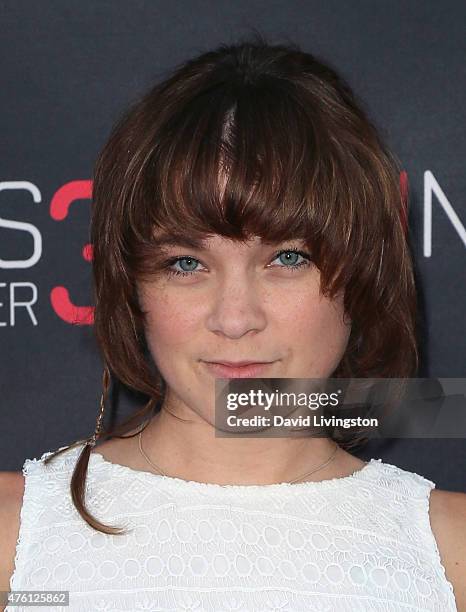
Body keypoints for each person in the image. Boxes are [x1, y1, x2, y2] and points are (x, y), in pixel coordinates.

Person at [1, 35, 464, 612]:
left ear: (364, 271)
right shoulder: (14, 539)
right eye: (186, 264)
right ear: (131, 285)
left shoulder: (451, 551)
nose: (235, 318)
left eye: (288, 258)